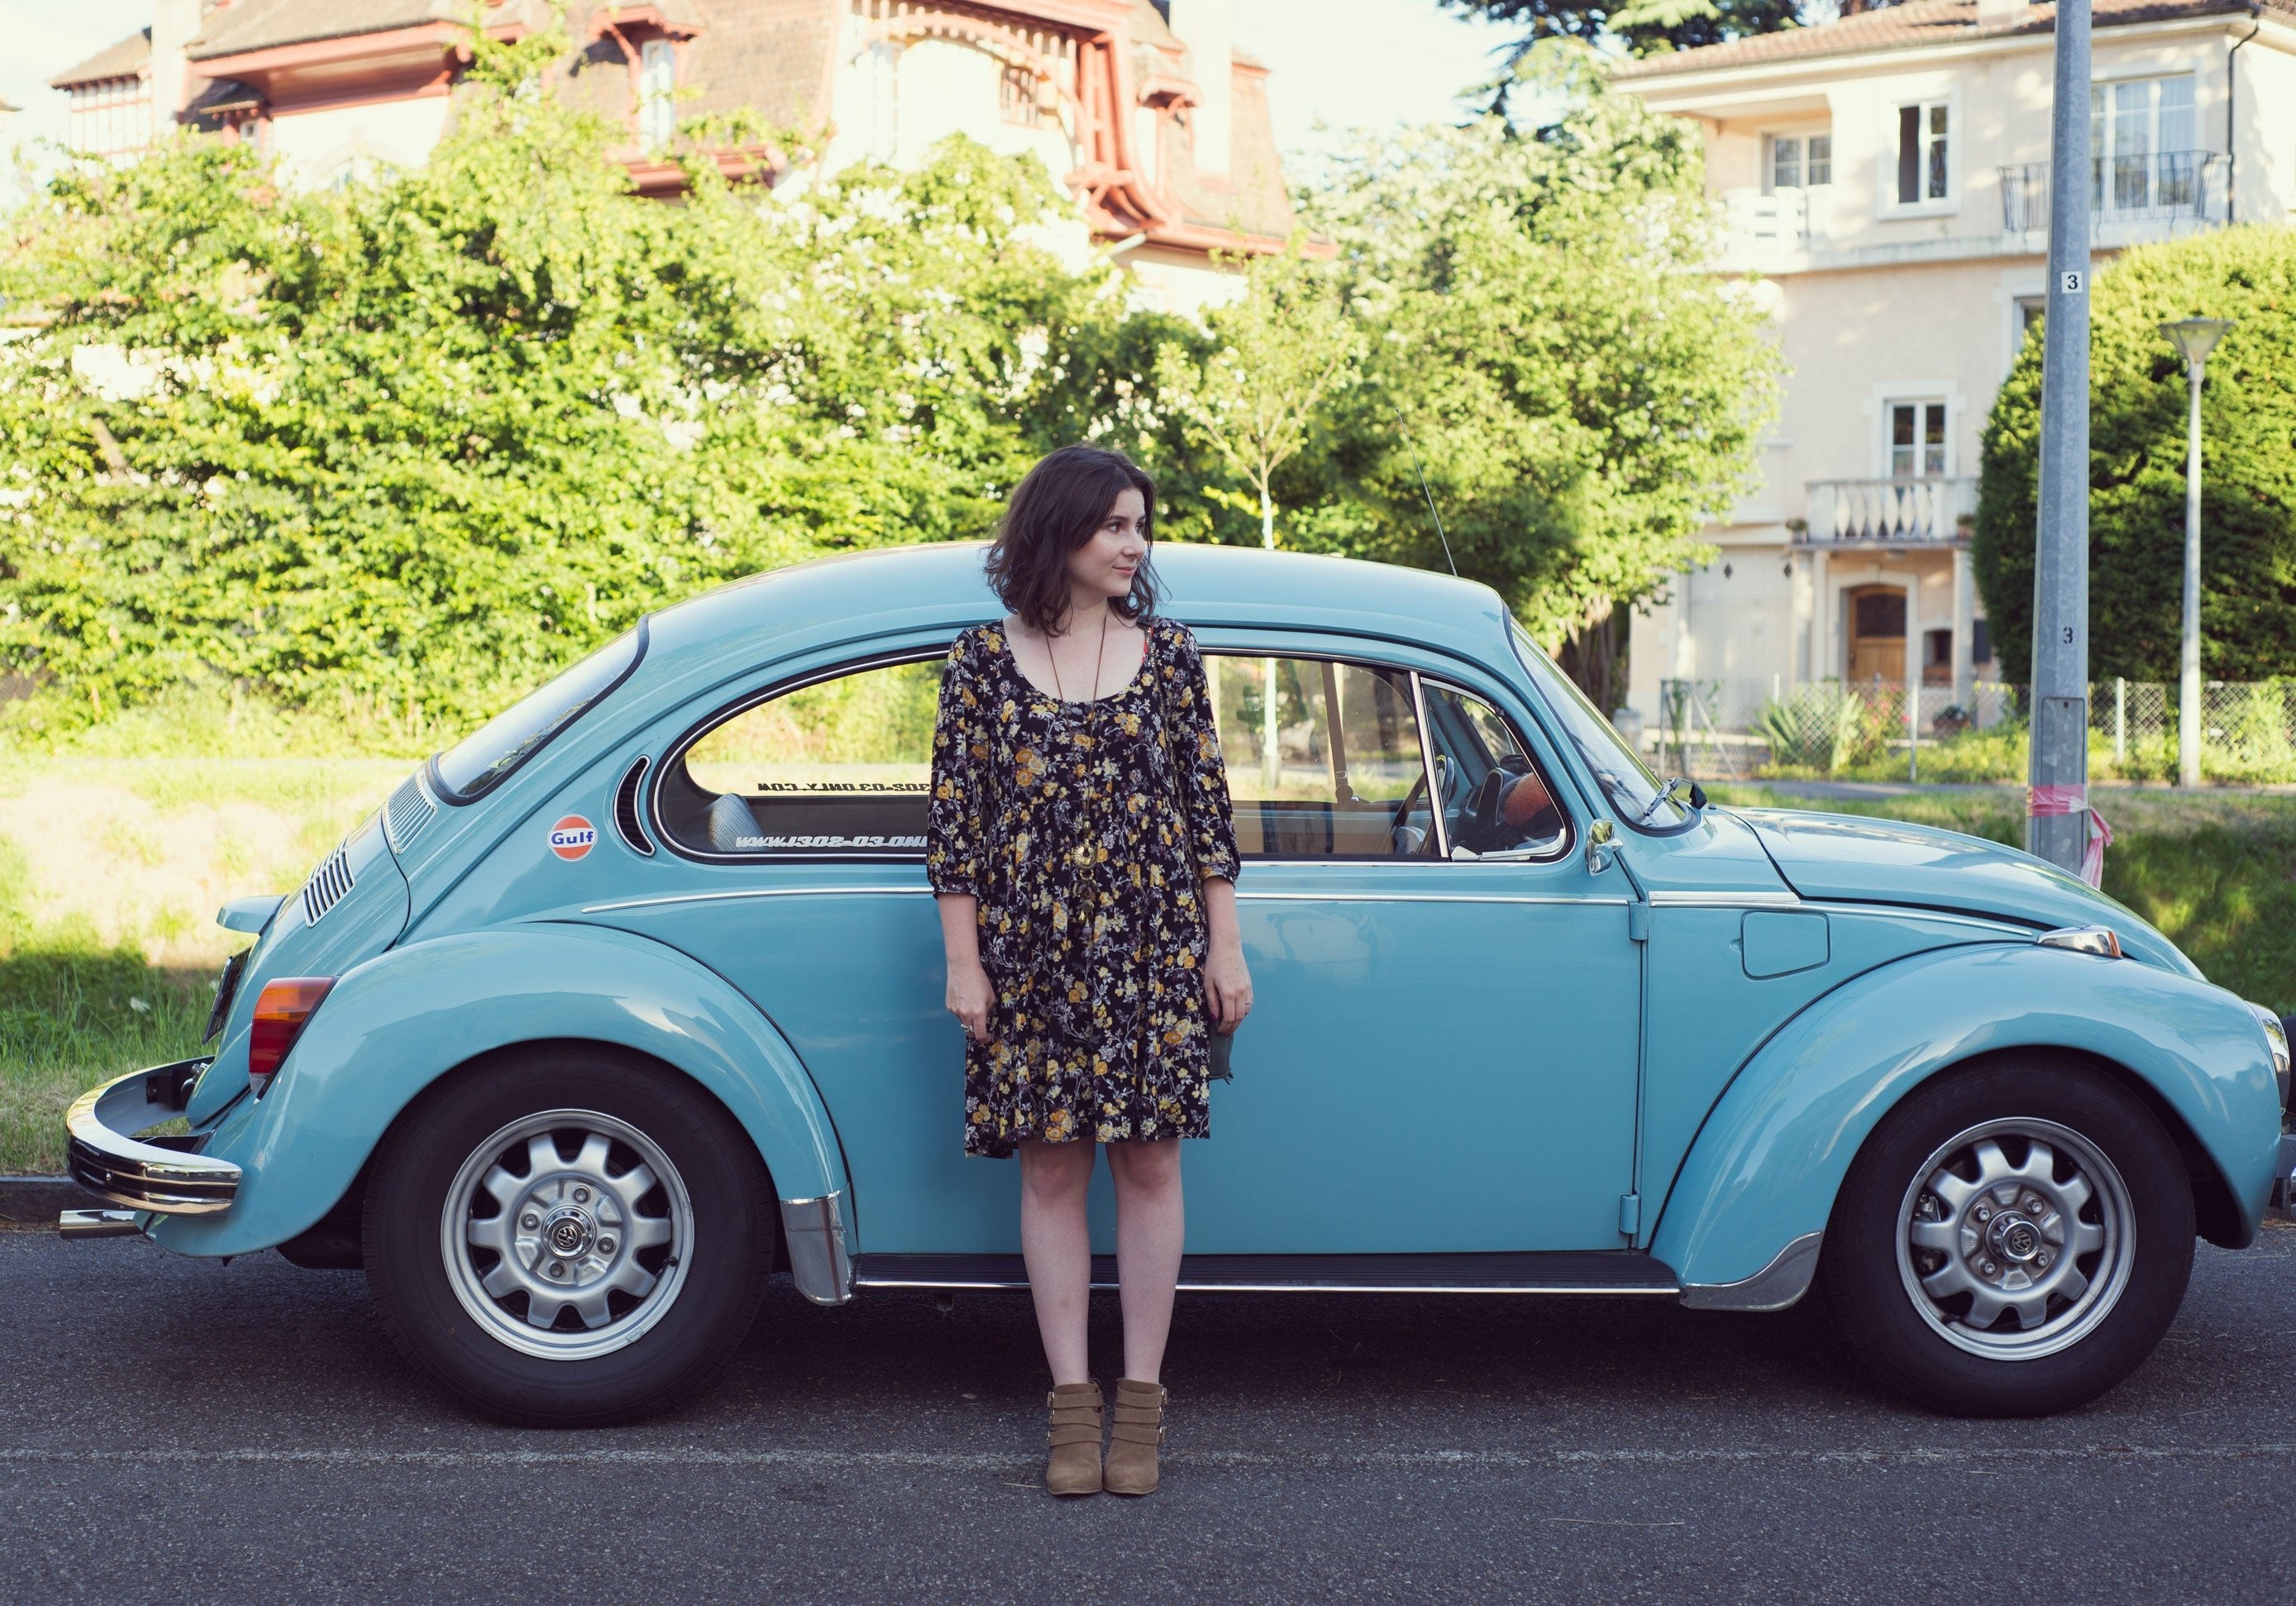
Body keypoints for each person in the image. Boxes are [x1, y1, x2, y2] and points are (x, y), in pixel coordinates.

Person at [925, 444, 1248, 1498]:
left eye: (1137, 526)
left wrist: (1224, 940)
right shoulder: (979, 659)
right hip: (1028, 956)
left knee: (1150, 1165)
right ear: (1057, 530)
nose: (1132, 544)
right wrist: (962, 964)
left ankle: (1141, 1404)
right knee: (1051, 1168)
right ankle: (1072, 1405)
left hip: (1152, 950)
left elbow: (1206, 812)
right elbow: (956, 828)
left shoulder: (1170, 654)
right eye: (1113, 524)